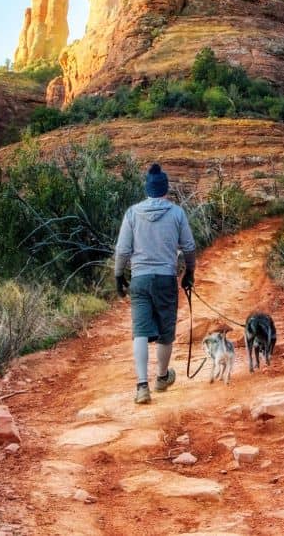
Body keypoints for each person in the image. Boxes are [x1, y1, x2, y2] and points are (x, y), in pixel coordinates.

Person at [114, 163, 196, 404]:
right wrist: (189, 271)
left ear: (147, 189)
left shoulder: (132, 213)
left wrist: (119, 276)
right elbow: (189, 247)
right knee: (165, 332)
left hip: (139, 279)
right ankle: (161, 377)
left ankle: (142, 386)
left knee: (140, 331)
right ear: (165, 189)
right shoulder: (176, 213)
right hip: (165, 278)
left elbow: (122, 249)